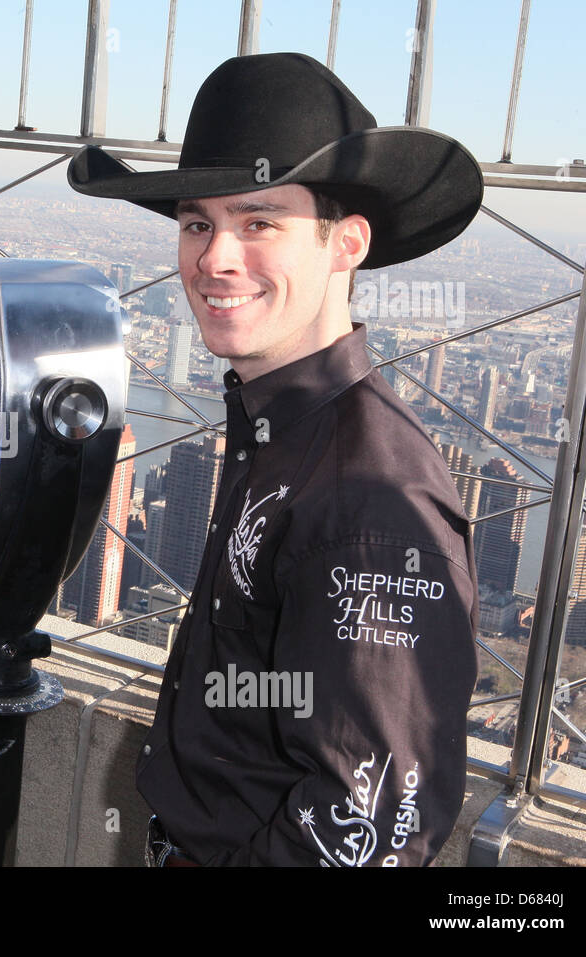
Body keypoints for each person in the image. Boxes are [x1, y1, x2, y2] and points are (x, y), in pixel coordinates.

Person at [69, 52, 482, 866]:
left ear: (346, 244)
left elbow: (371, 831)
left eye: (259, 222)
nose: (215, 258)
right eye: (197, 223)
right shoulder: (278, 432)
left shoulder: (372, 502)